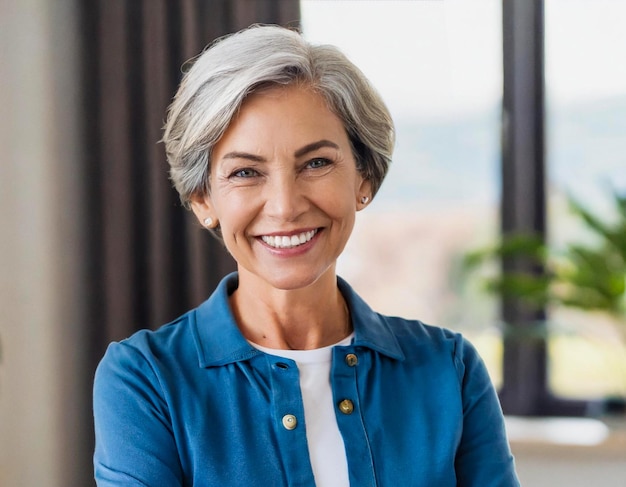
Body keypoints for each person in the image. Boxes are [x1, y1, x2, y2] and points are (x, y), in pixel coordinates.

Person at [93, 24, 520, 487]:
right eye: (245, 172)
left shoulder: (449, 371)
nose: (285, 205)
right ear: (203, 200)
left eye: (316, 163)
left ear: (363, 178)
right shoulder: (145, 379)